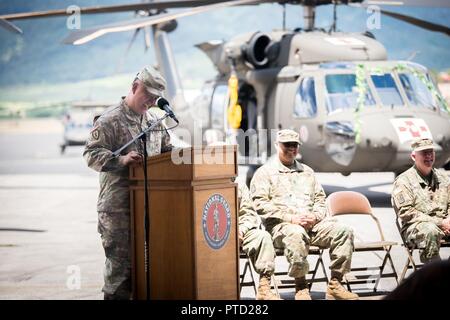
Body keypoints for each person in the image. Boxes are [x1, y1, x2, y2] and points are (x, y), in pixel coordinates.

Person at [83, 66, 172, 300]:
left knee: (148, 269)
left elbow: (167, 152)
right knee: (122, 273)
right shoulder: (110, 120)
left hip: (149, 208)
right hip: (118, 208)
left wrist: (189, 159)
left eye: (155, 98)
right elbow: (90, 155)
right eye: (148, 95)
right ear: (134, 87)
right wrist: (121, 159)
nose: (151, 102)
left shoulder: (155, 121)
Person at [250, 129, 358, 300]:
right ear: (277, 145)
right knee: (296, 233)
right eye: (287, 145)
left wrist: (315, 216)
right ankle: (301, 285)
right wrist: (291, 218)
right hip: (282, 228)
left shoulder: (307, 172)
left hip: (312, 225)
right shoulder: (265, 173)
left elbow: (320, 200)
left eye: (295, 145)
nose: (291, 148)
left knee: (344, 231)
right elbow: (259, 204)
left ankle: (335, 284)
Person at [392, 138, 450, 263]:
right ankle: (433, 276)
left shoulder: (444, 178)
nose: (429, 156)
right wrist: (440, 222)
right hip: (416, 227)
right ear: (414, 156)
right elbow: (406, 213)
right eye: (424, 153)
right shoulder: (404, 181)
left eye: (431, 152)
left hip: (445, 223)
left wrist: (448, 221)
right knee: (430, 230)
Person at [237, 179, 281, 300]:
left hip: (239, 233)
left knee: (263, 237)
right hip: (209, 237)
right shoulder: (202, 183)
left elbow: (248, 214)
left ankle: (264, 288)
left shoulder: (238, 184)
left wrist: (241, 230)